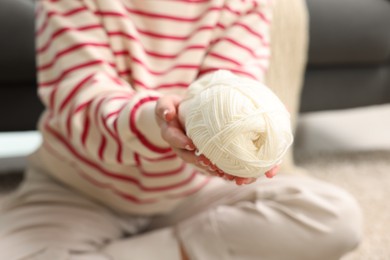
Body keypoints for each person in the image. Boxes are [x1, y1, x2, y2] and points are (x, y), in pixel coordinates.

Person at [0, 0, 362, 259]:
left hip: (196, 194)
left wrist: (251, 113)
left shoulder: (243, 4)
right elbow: (83, 103)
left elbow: (232, 87)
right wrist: (160, 123)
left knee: (336, 217)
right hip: (79, 189)